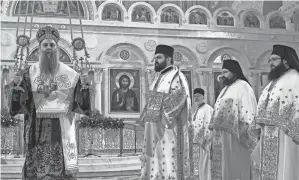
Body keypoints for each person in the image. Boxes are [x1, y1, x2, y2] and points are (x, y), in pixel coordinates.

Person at [8, 25, 91, 180]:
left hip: (60, 131)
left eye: (52, 45)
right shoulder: (29, 73)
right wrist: (17, 85)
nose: (48, 48)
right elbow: (18, 106)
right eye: (45, 45)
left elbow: (82, 105)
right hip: (36, 131)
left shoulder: (70, 74)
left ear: (57, 48)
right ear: (39, 48)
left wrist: (85, 86)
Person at [137, 45, 191, 179]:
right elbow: (152, 100)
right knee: (154, 161)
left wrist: (160, 115)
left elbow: (180, 98)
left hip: (168, 129)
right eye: (155, 57)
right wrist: (145, 117)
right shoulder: (158, 77)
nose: (155, 60)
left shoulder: (177, 76)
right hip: (153, 129)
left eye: (158, 57)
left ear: (168, 59)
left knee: (167, 161)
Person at [249, 45, 299, 180]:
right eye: (269, 60)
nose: (270, 63)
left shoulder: (295, 79)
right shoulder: (274, 81)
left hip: (287, 137)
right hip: (268, 134)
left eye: (274, 59)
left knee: (285, 169)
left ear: (286, 60)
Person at [208, 59, 257, 180]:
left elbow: (249, 112)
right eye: (222, 72)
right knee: (224, 169)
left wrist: (247, 133)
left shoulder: (243, 86)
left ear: (234, 72)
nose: (222, 75)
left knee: (236, 168)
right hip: (221, 137)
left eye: (225, 72)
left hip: (237, 136)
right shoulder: (226, 89)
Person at [191, 88, 213, 180]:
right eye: (195, 96)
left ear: (203, 97)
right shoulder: (197, 109)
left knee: (206, 165)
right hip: (199, 143)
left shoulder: (207, 109)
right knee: (201, 165)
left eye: (198, 96)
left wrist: (206, 141)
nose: (196, 98)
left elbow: (208, 125)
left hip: (206, 143)